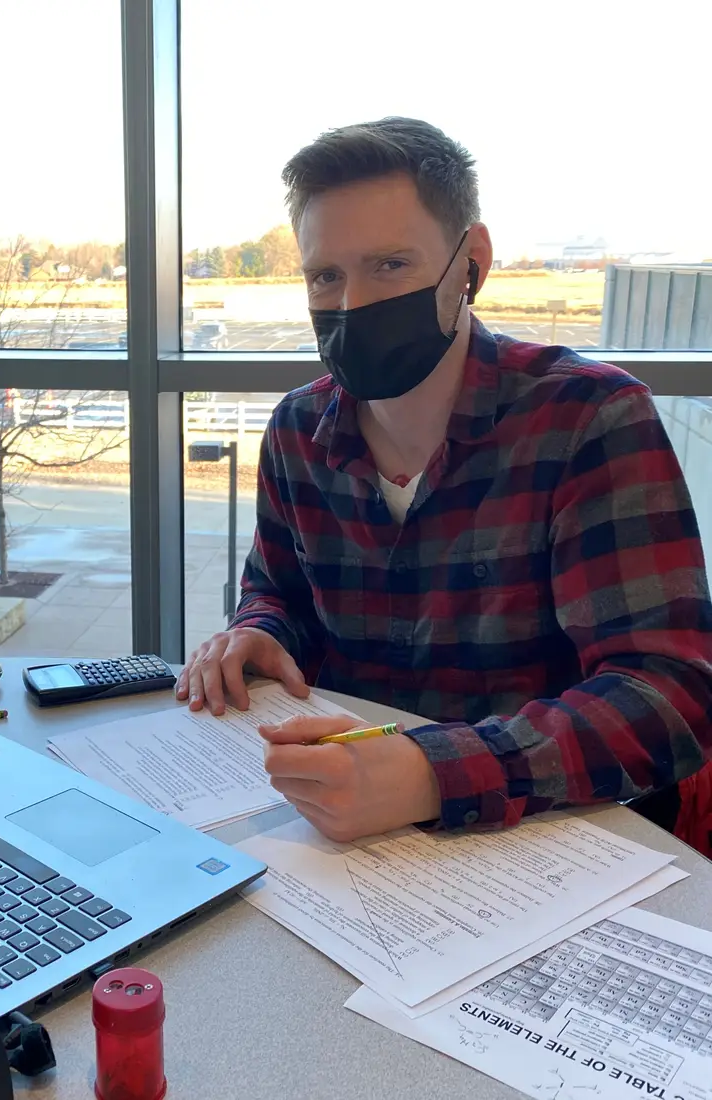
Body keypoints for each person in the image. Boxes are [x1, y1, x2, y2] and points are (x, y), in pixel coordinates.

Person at [176, 118, 712, 855]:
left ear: (471, 264)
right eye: (325, 276)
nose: (351, 304)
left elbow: (669, 693)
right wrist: (258, 632)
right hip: (334, 826)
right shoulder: (297, 430)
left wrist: (432, 773)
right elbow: (277, 592)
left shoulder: (586, 419)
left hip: (541, 838)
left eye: (390, 265)